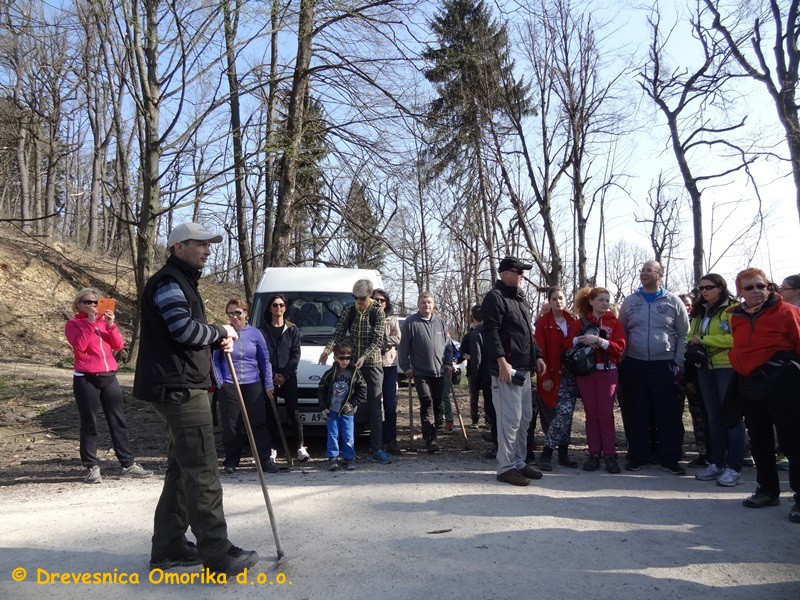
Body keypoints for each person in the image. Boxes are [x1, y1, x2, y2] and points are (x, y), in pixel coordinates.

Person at [134, 222, 258, 575]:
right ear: (177, 248)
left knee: (181, 469)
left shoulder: (180, 281)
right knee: (202, 469)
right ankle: (218, 553)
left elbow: (187, 331)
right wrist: (221, 330)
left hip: (179, 384)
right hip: (180, 389)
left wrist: (213, 336)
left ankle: (169, 546)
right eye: (199, 244)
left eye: (209, 244)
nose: (207, 249)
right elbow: (183, 329)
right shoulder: (170, 282)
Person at [727, 268, 800, 523]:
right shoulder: (735, 317)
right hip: (750, 383)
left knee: (793, 441)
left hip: (783, 383)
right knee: (759, 439)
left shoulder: (788, 311)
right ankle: (768, 490)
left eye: (761, 285)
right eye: (750, 287)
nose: (757, 291)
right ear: (740, 292)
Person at [65, 288, 152, 484]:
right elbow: (80, 346)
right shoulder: (73, 324)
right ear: (78, 304)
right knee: (89, 423)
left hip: (109, 376)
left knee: (118, 421)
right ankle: (91, 466)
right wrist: (89, 323)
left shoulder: (105, 322)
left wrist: (111, 326)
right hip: (86, 378)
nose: (93, 306)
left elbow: (118, 346)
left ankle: (127, 464)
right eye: (88, 302)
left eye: (97, 302)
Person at [618, 260, 690, 475]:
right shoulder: (630, 302)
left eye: (650, 270)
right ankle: (638, 456)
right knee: (637, 411)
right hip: (634, 363)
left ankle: (670, 458)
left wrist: (677, 362)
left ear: (660, 274)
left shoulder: (673, 301)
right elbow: (621, 332)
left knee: (667, 413)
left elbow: (684, 333)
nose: (644, 273)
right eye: (642, 270)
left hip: (664, 364)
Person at [481, 257, 546, 486]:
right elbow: (491, 332)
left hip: (524, 368)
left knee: (525, 417)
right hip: (506, 369)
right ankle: (505, 467)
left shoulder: (519, 298)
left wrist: (537, 355)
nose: (522, 276)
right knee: (510, 419)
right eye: (518, 271)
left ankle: (518, 461)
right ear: (505, 273)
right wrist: (502, 363)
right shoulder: (495, 297)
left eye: (522, 272)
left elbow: (528, 331)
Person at [320, 279, 390, 464]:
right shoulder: (350, 310)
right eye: (356, 297)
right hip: (350, 364)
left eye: (362, 298)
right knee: (345, 405)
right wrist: (327, 350)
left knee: (375, 408)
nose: (359, 301)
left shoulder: (377, 312)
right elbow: (339, 333)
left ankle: (377, 448)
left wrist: (364, 357)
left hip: (372, 365)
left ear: (370, 294)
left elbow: (377, 341)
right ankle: (346, 452)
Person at [686, 275, 745, 487]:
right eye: (701, 288)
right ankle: (717, 463)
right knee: (713, 418)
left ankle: (734, 468)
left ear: (721, 288)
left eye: (709, 287)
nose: (704, 291)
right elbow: (690, 334)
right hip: (704, 368)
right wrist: (692, 342)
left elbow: (735, 338)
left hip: (726, 368)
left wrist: (704, 340)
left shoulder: (734, 310)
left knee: (733, 419)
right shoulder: (700, 310)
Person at [212, 298, 277, 475]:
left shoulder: (255, 334)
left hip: (252, 384)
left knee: (258, 423)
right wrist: (221, 383)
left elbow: (265, 361)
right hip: (229, 384)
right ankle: (231, 460)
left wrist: (269, 383)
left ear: (246, 313)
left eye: (238, 312)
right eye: (230, 313)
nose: (234, 316)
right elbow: (215, 360)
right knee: (231, 425)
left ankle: (264, 460)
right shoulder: (224, 333)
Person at [567, 287, 626, 473]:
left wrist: (600, 341)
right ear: (591, 302)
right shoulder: (581, 322)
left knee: (606, 415)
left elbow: (619, 348)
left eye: (607, 300)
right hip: (586, 373)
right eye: (601, 300)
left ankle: (610, 454)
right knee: (591, 415)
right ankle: (593, 454)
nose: (605, 303)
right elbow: (568, 342)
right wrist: (582, 339)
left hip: (608, 373)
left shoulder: (615, 323)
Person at [397, 291, 454, 453]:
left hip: (439, 371)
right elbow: (403, 347)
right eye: (423, 302)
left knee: (437, 404)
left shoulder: (440, 322)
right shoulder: (410, 322)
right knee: (426, 401)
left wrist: (449, 363)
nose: (426, 305)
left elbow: (448, 346)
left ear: (433, 304)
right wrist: (406, 366)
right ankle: (430, 439)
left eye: (429, 302)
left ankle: (433, 434)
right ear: (418, 304)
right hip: (420, 372)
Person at [259, 293, 307, 462]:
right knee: (271, 413)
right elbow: (262, 355)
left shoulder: (292, 328)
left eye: (281, 305)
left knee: (293, 412)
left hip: (288, 377)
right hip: (269, 378)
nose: (278, 308)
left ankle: (300, 447)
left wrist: (285, 375)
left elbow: (296, 354)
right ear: (270, 308)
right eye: (275, 305)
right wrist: (271, 375)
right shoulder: (262, 330)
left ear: (285, 308)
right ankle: (272, 449)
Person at [535, 287, 579, 472]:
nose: (558, 302)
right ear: (549, 301)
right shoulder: (543, 323)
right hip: (552, 375)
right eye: (554, 299)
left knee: (566, 415)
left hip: (571, 375)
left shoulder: (572, 320)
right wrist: (544, 376)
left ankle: (563, 453)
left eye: (561, 298)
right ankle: (546, 452)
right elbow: (539, 352)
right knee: (562, 415)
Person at [319, 342, 367, 471]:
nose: (345, 361)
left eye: (348, 358)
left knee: (348, 434)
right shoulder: (330, 373)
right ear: (335, 358)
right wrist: (323, 407)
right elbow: (321, 389)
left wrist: (353, 403)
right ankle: (333, 457)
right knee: (333, 433)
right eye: (341, 358)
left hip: (347, 409)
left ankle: (349, 457)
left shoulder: (355, 373)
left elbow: (363, 388)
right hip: (332, 409)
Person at [678, 292, 711, 469]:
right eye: (683, 304)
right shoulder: (676, 324)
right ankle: (697, 451)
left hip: (701, 374)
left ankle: (710, 453)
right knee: (688, 414)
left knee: (705, 414)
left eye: (690, 304)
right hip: (681, 375)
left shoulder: (699, 321)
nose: (687, 307)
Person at [371, 289, 402, 455]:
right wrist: (385, 341)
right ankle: (378, 441)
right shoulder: (368, 318)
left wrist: (380, 341)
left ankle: (392, 441)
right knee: (375, 405)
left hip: (389, 365)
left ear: (386, 302)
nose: (379, 303)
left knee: (390, 404)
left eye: (382, 300)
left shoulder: (393, 319)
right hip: (372, 365)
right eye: (376, 300)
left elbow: (397, 339)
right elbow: (368, 339)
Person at [459, 305, 486, 427]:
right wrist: (473, 357)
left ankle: (488, 419)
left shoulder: (488, 333)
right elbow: (462, 353)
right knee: (474, 396)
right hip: (472, 369)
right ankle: (474, 419)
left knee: (488, 396)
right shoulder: (469, 335)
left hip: (486, 370)